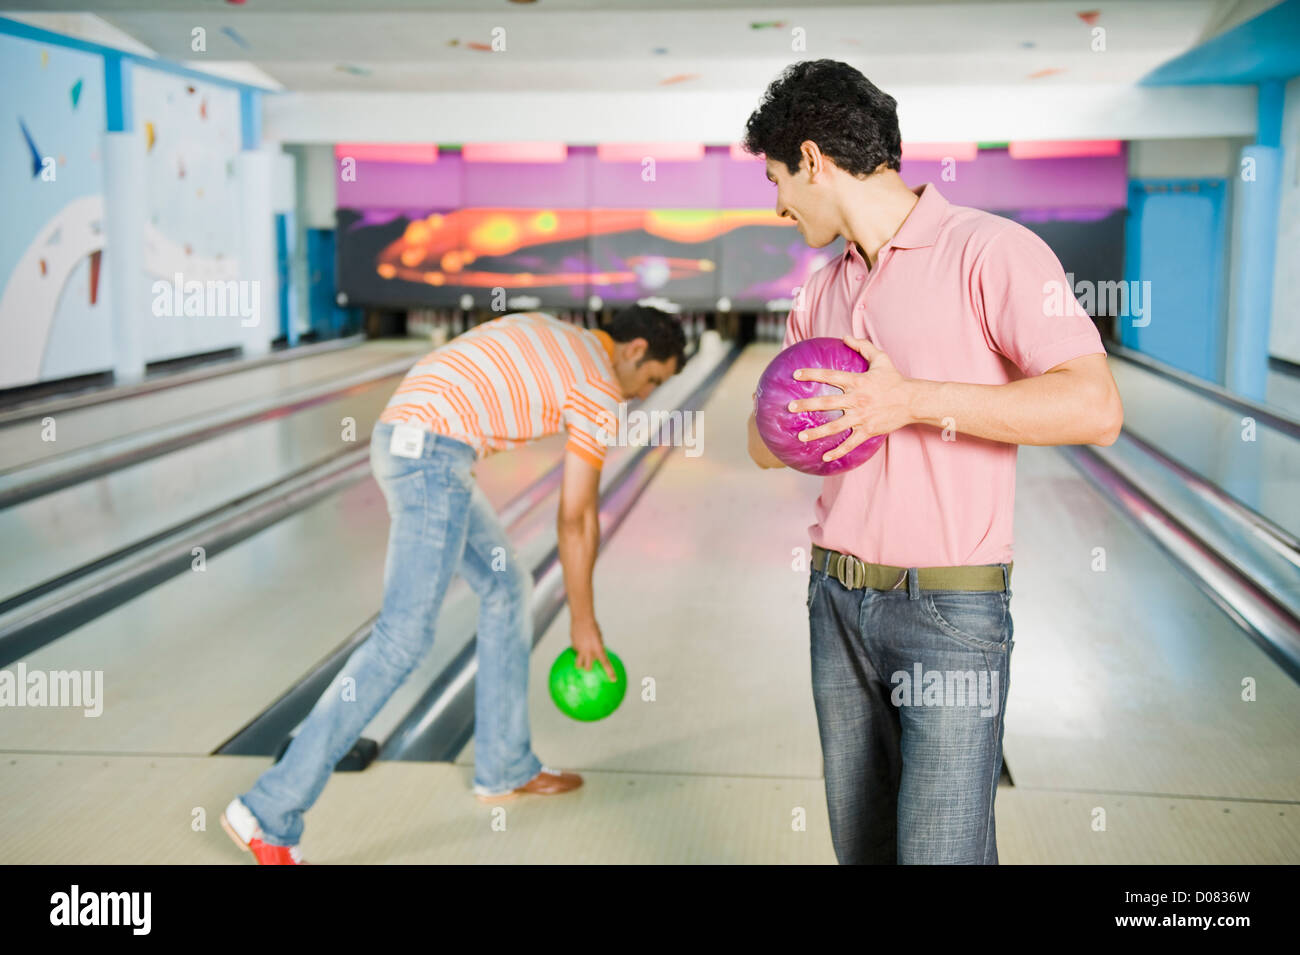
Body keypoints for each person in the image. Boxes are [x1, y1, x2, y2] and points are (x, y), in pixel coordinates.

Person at [742, 60, 1123, 864]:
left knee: (940, 853)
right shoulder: (821, 292)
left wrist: (907, 399)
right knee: (864, 851)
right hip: (836, 598)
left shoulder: (992, 252)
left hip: (951, 610)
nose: (777, 203)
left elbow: (1095, 409)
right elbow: (763, 442)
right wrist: (780, 422)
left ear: (812, 159)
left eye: (778, 179)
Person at [222, 305, 686, 864]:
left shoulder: (556, 330)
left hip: (409, 437)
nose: (644, 394)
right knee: (402, 639)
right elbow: (577, 516)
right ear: (634, 351)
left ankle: (504, 766)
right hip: (432, 458)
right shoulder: (598, 385)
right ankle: (267, 812)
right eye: (652, 380)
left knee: (507, 588)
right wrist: (583, 622)